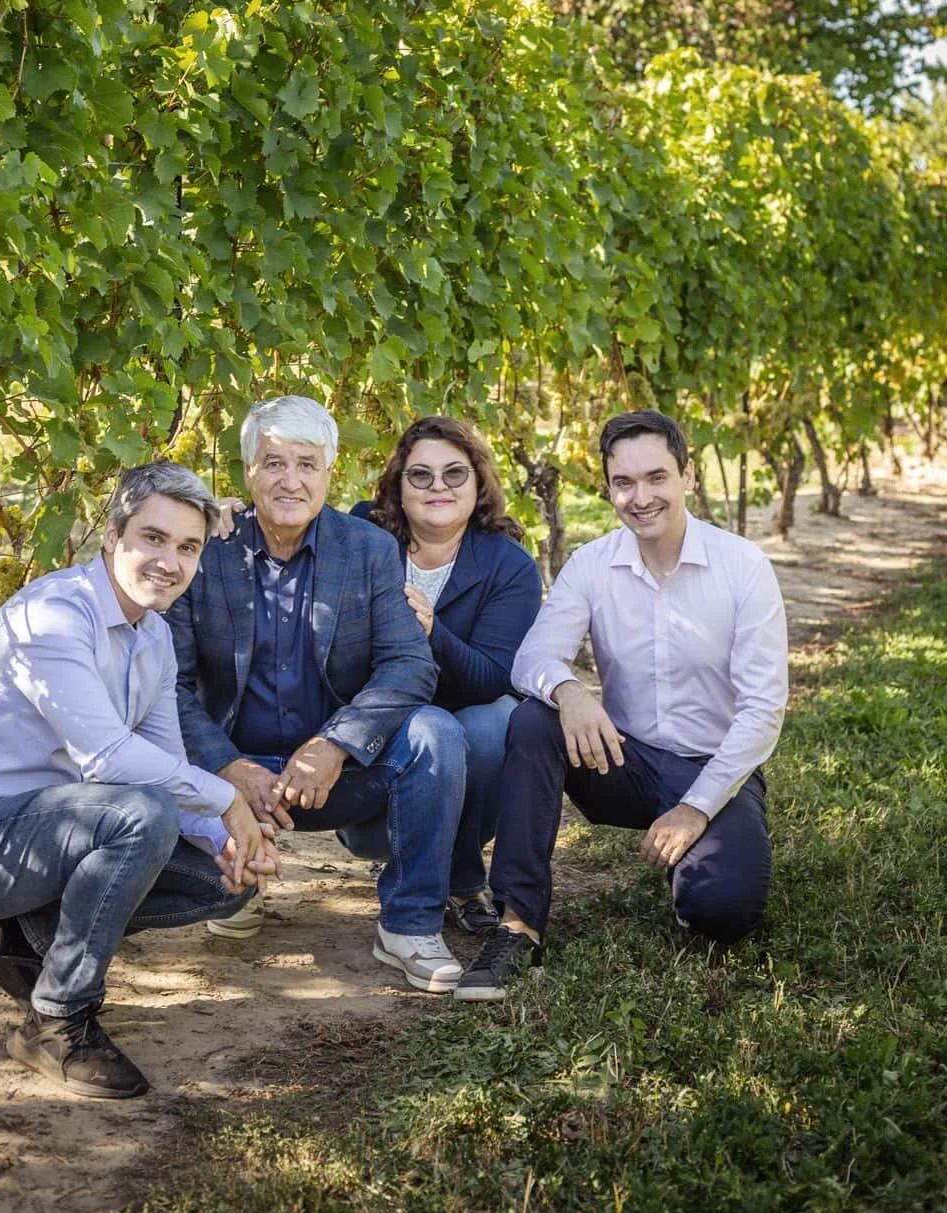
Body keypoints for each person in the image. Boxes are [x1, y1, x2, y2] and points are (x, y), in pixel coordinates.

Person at [0, 462, 277, 1100]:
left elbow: (162, 760)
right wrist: (229, 799)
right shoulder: (53, 614)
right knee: (140, 815)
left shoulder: (153, 637)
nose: (170, 561)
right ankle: (55, 1020)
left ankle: (17, 937)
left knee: (223, 886)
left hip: (51, 833)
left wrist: (225, 838)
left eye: (187, 547)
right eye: (153, 538)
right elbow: (110, 759)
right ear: (112, 536)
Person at [455, 408, 788, 1000]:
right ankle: (518, 923)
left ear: (687, 476)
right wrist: (570, 691)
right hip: (621, 761)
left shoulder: (743, 567)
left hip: (711, 769)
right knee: (534, 720)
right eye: (623, 483)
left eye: (656, 477)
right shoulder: (592, 564)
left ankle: (693, 869)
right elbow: (531, 659)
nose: (641, 497)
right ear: (608, 489)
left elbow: (764, 711)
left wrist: (695, 809)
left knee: (724, 914)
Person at [166, 395, 468, 994]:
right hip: (229, 780)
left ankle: (408, 926)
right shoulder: (203, 550)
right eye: (273, 463)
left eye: (307, 464)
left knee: (437, 733)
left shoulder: (369, 550)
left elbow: (409, 663)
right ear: (247, 472)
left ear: (330, 472)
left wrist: (336, 745)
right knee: (219, 902)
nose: (290, 480)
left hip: (331, 775)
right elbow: (164, 684)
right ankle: (231, 878)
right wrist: (228, 765)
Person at [349, 416, 543, 934]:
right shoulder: (362, 532)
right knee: (426, 731)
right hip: (374, 735)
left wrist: (433, 631)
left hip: (460, 742)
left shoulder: (509, 565)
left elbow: (493, 677)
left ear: (478, 483)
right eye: (421, 475)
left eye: (455, 474)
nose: (438, 486)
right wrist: (236, 513)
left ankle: (457, 875)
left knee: (496, 722)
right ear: (397, 485)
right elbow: (291, 522)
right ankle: (402, 852)